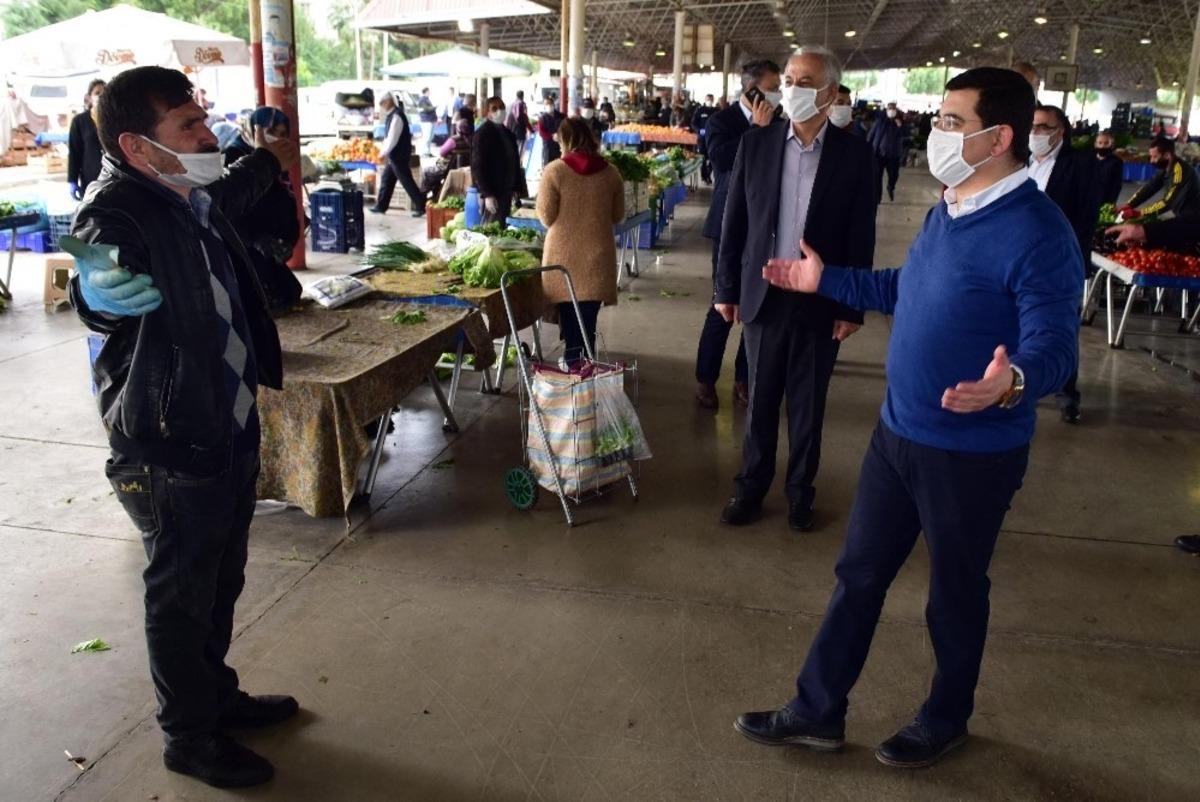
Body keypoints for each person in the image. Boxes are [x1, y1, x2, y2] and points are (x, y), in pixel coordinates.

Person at [734, 67, 1081, 769]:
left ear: (999, 138)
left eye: (953, 121)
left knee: (954, 593)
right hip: (897, 436)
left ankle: (946, 717)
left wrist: (1012, 381)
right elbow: (905, 287)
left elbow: (1055, 345)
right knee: (858, 575)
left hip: (972, 453)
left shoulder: (1039, 232)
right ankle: (817, 709)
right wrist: (825, 280)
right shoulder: (947, 208)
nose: (939, 132)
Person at [67, 66, 299, 789]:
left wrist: (267, 158)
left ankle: (215, 696)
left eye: (203, 119)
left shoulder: (189, 196)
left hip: (227, 422)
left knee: (221, 577)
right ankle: (188, 736)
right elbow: (97, 272)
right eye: (188, 125)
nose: (206, 135)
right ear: (138, 147)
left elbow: (236, 187)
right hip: (169, 439)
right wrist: (97, 290)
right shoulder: (117, 211)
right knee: (181, 593)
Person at [714, 46, 876, 531]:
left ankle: (801, 493)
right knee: (760, 400)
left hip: (821, 297)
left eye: (804, 82)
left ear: (829, 93)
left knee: (808, 405)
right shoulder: (757, 144)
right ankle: (750, 488)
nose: (790, 89)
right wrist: (726, 288)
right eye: (787, 79)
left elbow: (860, 234)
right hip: (764, 291)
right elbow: (735, 222)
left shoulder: (854, 155)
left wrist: (852, 304)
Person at [694, 59, 782, 411]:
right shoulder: (722, 121)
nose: (777, 94)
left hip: (763, 226)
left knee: (756, 304)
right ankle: (705, 379)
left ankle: (744, 378)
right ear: (752, 89)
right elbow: (720, 160)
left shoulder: (779, 122)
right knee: (723, 302)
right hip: (728, 225)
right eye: (773, 87)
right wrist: (756, 131)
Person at [1029, 103, 1099, 425]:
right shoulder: (1022, 162)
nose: (1036, 133)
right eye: (1032, 126)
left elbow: (1086, 217)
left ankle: (1067, 395)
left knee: (1061, 329)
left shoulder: (1079, 165)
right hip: (1022, 260)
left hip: (1059, 262)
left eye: (1044, 127)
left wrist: (1072, 260)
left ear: (1060, 132)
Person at [537, 118, 624, 362]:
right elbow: (617, 215)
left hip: (563, 260)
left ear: (566, 140)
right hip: (598, 259)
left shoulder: (554, 171)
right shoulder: (611, 173)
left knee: (570, 321)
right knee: (588, 323)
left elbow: (546, 216)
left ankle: (575, 368)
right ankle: (584, 366)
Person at [220, 106, 302, 315]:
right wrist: (257, 239)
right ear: (254, 130)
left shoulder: (276, 161)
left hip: (268, 244)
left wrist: (288, 233)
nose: (278, 138)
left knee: (288, 294)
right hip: (246, 245)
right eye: (272, 131)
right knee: (256, 303)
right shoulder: (234, 158)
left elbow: (280, 198)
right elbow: (228, 209)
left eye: (283, 133)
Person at [369, 93, 425, 217]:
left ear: (389, 101)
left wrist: (383, 153)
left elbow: (392, 139)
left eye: (382, 103)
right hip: (395, 155)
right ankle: (381, 206)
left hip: (399, 155)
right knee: (387, 179)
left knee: (406, 181)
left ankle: (421, 205)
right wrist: (382, 151)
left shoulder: (397, 116)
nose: (382, 106)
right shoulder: (392, 116)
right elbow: (388, 138)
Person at [471, 97, 524, 224]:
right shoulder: (482, 134)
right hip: (493, 191)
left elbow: (515, 162)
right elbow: (477, 167)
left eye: (501, 107)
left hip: (508, 189)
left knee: (504, 225)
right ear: (487, 113)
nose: (499, 111)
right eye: (494, 108)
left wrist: (517, 187)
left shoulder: (509, 134)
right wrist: (487, 194)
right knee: (492, 228)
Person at [1123, 137, 1200, 217]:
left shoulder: (1180, 171)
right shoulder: (1166, 167)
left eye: (1155, 157)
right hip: (1183, 213)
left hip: (1194, 216)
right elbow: (1150, 187)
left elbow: (1168, 201)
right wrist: (1129, 205)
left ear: (1167, 155)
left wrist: (1140, 213)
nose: (1151, 161)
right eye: (1151, 157)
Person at [67, 79, 106, 200]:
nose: (101, 95)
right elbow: (74, 152)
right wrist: (72, 180)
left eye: (105, 92)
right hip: (90, 176)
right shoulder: (79, 121)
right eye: (97, 93)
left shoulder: (114, 119)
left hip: (113, 175)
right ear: (89, 97)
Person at [868, 102, 907, 202]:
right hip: (879, 154)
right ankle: (877, 197)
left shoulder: (900, 122)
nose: (891, 111)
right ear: (886, 110)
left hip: (893, 155)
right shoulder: (880, 121)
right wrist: (867, 148)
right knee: (877, 177)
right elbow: (871, 135)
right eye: (890, 108)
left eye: (893, 109)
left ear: (896, 111)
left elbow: (905, 135)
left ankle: (890, 187)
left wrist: (900, 126)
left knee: (894, 175)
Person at [692, 94, 717, 182]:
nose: (709, 101)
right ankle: (704, 176)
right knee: (702, 158)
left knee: (713, 157)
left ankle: (708, 173)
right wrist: (699, 130)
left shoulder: (716, 111)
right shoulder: (700, 110)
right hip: (702, 139)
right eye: (708, 99)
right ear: (705, 100)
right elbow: (693, 123)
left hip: (713, 138)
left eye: (711, 99)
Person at [1094, 130, 1124, 206]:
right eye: (1100, 143)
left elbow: (1116, 185)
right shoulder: (1089, 160)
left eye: (1106, 143)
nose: (1102, 146)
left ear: (1112, 145)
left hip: (1106, 201)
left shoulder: (1116, 162)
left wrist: (1110, 203)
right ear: (1095, 144)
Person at [505, 89, 533, 159]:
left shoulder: (509, 105)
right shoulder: (522, 104)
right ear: (522, 96)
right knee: (520, 150)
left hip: (510, 131)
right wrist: (531, 129)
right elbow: (524, 118)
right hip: (520, 131)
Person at [537, 95, 564, 167]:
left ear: (553, 104)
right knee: (548, 166)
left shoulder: (561, 116)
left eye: (550, 104)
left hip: (560, 145)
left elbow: (565, 128)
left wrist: (560, 135)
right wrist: (552, 136)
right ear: (544, 106)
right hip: (548, 147)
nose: (549, 106)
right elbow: (541, 132)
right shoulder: (542, 118)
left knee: (560, 166)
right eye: (547, 104)